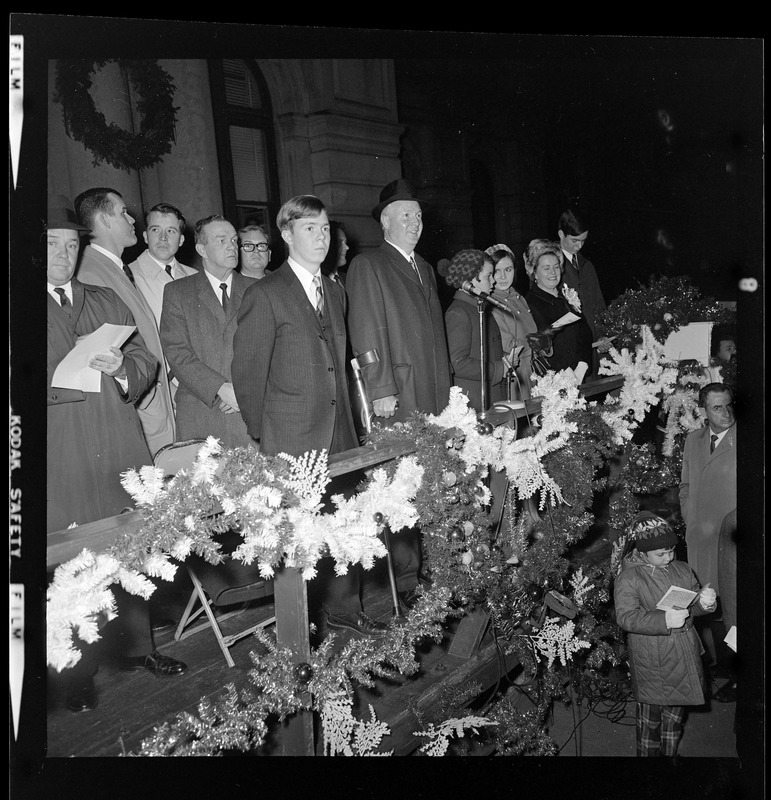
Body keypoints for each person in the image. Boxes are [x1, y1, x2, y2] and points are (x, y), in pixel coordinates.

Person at [46, 195, 186, 713]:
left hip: (117, 440)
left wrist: (123, 367)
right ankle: (76, 675)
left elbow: (144, 358)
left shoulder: (102, 297)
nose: (62, 255)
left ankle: (139, 649)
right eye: (51, 246)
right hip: (61, 452)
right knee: (71, 561)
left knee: (130, 547)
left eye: (70, 245)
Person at [232, 194, 386, 638]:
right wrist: (267, 438)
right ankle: (303, 628)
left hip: (339, 433)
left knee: (345, 523)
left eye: (324, 230)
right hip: (292, 438)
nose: (320, 238)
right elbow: (247, 375)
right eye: (308, 229)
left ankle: (344, 607)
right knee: (302, 540)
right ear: (286, 235)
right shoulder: (266, 294)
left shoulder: (334, 291)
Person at [345, 178, 452, 610]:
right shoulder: (369, 265)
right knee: (402, 489)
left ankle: (435, 568)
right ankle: (406, 583)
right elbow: (366, 332)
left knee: (431, 482)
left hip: (432, 393)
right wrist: (381, 387)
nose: (415, 222)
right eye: (405, 215)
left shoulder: (424, 267)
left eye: (419, 215)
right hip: (400, 395)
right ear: (386, 222)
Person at [74, 187, 175, 457]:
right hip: (136, 409)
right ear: (104, 220)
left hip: (150, 404)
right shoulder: (89, 272)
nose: (132, 220)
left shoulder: (113, 268)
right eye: (123, 213)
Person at [614, 511, 717, 758]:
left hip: (684, 654)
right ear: (642, 551)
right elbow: (626, 618)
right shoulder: (629, 578)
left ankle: (669, 757)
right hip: (652, 660)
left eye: (671, 551)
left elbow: (692, 606)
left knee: (675, 717)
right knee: (650, 722)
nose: (669, 557)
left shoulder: (682, 569)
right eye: (660, 554)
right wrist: (664, 620)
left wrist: (705, 603)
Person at [160, 215, 256, 448]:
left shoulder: (257, 290)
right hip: (201, 415)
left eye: (234, 240)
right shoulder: (178, 292)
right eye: (221, 241)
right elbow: (177, 353)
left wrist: (245, 392)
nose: (232, 247)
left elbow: (272, 350)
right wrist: (220, 388)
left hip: (250, 414)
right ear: (202, 249)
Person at [678, 382, 737, 669]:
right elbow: (686, 485)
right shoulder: (693, 440)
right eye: (717, 407)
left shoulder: (746, 440)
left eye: (729, 405)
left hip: (731, 541)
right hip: (699, 538)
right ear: (703, 411)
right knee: (706, 601)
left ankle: (738, 672)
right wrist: (689, 517)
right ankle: (718, 666)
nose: (726, 413)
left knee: (734, 607)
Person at [438, 249, 512, 413]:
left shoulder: (478, 307)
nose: (493, 281)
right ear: (470, 279)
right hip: (474, 402)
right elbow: (457, 363)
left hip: (490, 394)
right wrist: (500, 368)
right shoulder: (459, 312)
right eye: (488, 276)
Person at [523, 238, 594, 382]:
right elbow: (541, 344)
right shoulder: (530, 303)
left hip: (579, 374)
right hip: (555, 378)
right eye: (546, 268)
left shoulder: (567, 296)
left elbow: (585, 333)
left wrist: (582, 365)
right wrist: (567, 372)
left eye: (556, 267)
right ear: (535, 273)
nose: (553, 273)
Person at [556, 209, 613, 372]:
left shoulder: (587, 266)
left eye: (583, 241)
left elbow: (599, 306)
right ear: (561, 234)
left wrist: (602, 334)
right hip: (568, 355)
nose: (579, 246)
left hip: (592, 351)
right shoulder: (551, 269)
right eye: (574, 240)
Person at [128, 203, 197, 327]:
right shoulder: (128, 276)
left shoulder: (196, 277)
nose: (163, 238)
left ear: (181, 240)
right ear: (146, 237)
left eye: (171, 231)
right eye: (155, 230)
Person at [487, 246, 538, 400]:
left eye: (508, 270)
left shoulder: (518, 298)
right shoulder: (491, 302)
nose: (503, 276)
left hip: (533, 371)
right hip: (515, 377)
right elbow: (507, 344)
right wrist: (537, 341)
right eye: (497, 271)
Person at [321, 220, 350, 286]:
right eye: (339, 243)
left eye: (345, 243)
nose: (347, 247)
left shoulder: (349, 279)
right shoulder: (318, 281)